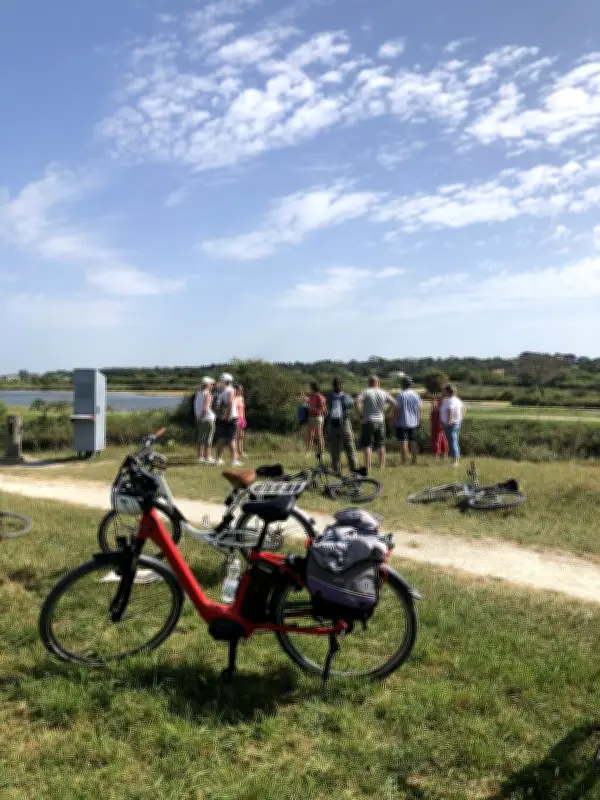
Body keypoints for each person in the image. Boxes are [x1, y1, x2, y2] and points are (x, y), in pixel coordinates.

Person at [356, 375, 395, 471]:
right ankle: (382, 466)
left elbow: (357, 401)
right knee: (381, 444)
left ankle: (368, 467)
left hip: (368, 420)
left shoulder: (366, 391)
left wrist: (360, 413)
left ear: (369, 382)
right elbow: (394, 403)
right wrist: (387, 412)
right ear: (378, 382)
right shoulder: (383, 392)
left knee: (367, 445)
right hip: (380, 420)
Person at [325, 377, 358, 474]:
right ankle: (354, 472)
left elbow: (327, 406)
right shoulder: (346, 396)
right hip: (345, 424)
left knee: (335, 451)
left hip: (332, 425)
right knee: (350, 450)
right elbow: (350, 405)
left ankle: (336, 473)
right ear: (342, 385)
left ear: (333, 385)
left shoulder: (329, 396)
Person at [214, 372, 241, 467]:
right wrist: (229, 415)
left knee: (221, 439)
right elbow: (230, 403)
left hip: (220, 417)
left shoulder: (220, 391)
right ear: (229, 381)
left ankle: (218, 459)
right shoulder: (231, 390)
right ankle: (233, 460)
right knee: (232, 439)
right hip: (231, 417)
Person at [394, 376, 422, 465]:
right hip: (414, 422)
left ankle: (404, 461)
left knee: (403, 442)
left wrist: (394, 420)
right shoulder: (416, 395)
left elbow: (397, 409)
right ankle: (414, 460)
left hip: (402, 422)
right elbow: (419, 409)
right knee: (413, 441)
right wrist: (418, 420)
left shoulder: (400, 395)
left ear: (402, 385)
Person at [440, 383, 465, 467]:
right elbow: (463, 408)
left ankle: (455, 461)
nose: (443, 392)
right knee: (455, 441)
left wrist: (448, 421)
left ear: (447, 391)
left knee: (452, 442)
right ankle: (455, 459)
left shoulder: (449, 401)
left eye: (444, 390)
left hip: (450, 424)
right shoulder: (457, 399)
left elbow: (450, 410)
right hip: (457, 423)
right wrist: (461, 418)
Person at [194, 376, 216, 464]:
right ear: (207, 385)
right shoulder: (208, 394)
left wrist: (198, 417)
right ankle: (208, 457)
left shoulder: (198, 394)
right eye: (211, 384)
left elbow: (197, 407)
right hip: (207, 419)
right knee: (208, 438)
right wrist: (201, 416)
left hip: (200, 419)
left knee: (200, 438)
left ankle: (200, 456)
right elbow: (205, 408)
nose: (212, 386)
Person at [305, 382, 326, 455]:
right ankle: (308, 451)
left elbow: (322, 409)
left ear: (313, 388)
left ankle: (321, 452)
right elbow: (309, 403)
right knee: (310, 435)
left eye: (309, 387)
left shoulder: (319, 396)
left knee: (319, 435)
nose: (308, 389)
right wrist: (306, 400)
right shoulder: (311, 396)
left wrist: (311, 408)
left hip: (317, 417)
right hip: (311, 417)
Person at [430, 395, 448, 459]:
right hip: (440, 425)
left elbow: (434, 410)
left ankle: (436, 454)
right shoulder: (443, 407)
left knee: (436, 439)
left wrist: (433, 402)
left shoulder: (439, 408)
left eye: (438, 400)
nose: (436, 401)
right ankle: (444, 453)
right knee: (442, 439)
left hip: (437, 425)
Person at [234, 384, 247, 459]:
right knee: (236, 436)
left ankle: (241, 451)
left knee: (241, 436)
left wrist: (244, 418)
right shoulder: (234, 398)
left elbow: (243, 409)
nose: (241, 391)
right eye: (240, 389)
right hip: (236, 418)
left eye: (242, 390)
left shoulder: (241, 398)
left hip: (242, 418)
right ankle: (235, 452)